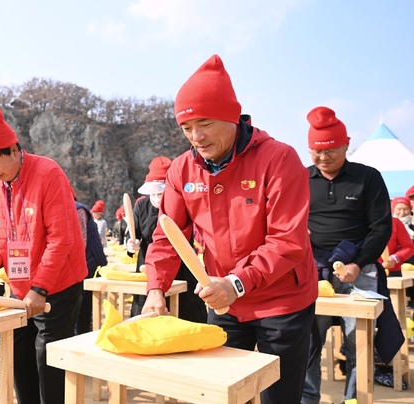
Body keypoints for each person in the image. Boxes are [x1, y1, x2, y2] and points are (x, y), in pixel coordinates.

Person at [141, 55, 318, 404]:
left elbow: (288, 241)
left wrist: (237, 282)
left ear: (231, 117)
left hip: (282, 302)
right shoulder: (181, 171)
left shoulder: (280, 159)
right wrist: (155, 288)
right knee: (216, 394)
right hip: (224, 303)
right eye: (186, 129)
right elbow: (167, 235)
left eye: (204, 124)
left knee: (277, 397)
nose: (196, 137)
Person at [0, 104, 87, 404]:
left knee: (47, 357)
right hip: (19, 287)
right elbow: (0, 236)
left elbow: (62, 239)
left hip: (57, 284)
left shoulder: (48, 173)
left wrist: (40, 288)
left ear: (13, 149)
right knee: (18, 355)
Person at [302, 106, 403, 404]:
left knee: (358, 342)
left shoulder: (367, 177)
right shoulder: (301, 178)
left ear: (346, 145)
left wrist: (358, 263)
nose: (323, 158)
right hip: (315, 273)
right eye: (316, 152)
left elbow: (381, 227)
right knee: (308, 341)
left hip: (361, 271)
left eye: (331, 150)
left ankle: (353, 399)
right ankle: (308, 399)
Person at [126, 156, 207, 323]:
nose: (156, 199)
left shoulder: (182, 203)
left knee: (185, 318)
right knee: (149, 318)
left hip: (183, 268)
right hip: (150, 268)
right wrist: (130, 245)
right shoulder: (141, 206)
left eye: (160, 193)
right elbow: (133, 233)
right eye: (153, 194)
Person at [74, 198, 108, 334]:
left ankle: (82, 335)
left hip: (89, 264)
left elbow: (79, 244)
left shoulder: (78, 210)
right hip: (84, 262)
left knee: (82, 306)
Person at [382, 197, 414, 277]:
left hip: (392, 270)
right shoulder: (358, 224)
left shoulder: (395, 223)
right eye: (399, 209)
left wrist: (395, 258)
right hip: (362, 271)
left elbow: (409, 247)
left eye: (405, 209)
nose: (402, 212)